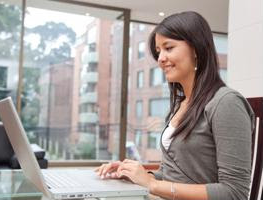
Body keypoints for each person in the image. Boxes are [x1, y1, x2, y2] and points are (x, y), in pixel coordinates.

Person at [95, 11, 255, 200]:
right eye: (158, 51)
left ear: (196, 49)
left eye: (168, 48)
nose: (160, 58)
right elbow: (173, 174)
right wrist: (136, 176)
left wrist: (152, 184)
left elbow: (234, 192)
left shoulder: (226, 103)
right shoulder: (181, 105)